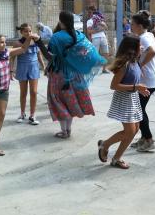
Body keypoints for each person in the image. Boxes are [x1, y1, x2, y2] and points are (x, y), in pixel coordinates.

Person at [35, 11, 105, 139]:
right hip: (75, 75)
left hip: (58, 75)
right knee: (70, 101)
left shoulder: (57, 37)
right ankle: (68, 130)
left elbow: (49, 57)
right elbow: (87, 53)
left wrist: (39, 42)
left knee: (59, 102)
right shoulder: (80, 35)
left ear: (60, 21)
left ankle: (64, 131)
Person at [97, 36, 150, 169]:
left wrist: (139, 88)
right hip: (124, 99)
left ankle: (116, 158)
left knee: (135, 129)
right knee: (130, 131)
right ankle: (105, 145)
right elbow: (114, 85)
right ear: (132, 49)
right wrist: (136, 87)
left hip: (133, 97)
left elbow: (134, 79)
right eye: (140, 46)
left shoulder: (135, 61)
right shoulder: (124, 65)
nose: (142, 48)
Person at [129, 12, 155, 152]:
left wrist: (140, 65)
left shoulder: (143, 38)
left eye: (132, 24)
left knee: (139, 110)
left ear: (140, 26)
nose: (130, 26)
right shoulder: (149, 35)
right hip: (151, 78)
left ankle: (149, 140)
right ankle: (143, 139)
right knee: (140, 109)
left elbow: (153, 52)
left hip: (146, 80)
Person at [12, 23, 45, 125]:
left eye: (30, 31)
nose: (28, 33)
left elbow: (39, 55)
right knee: (23, 92)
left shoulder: (36, 42)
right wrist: (11, 70)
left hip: (34, 68)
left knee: (34, 92)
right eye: (26, 31)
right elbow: (12, 57)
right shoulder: (17, 43)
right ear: (21, 32)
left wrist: (44, 67)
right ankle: (22, 113)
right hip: (22, 68)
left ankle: (32, 115)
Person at [86, 5, 109, 74]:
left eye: (93, 11)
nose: (91, 13)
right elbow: (89, 31)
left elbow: (106, 27)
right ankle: (93, 70)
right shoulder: (89, 21)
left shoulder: (100, 20)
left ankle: (104, 69)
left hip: (103, 37)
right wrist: (99, 29)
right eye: (90, 11)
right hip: (95, 38)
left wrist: (98, 28)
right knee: (95, 54)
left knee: (106, 53)